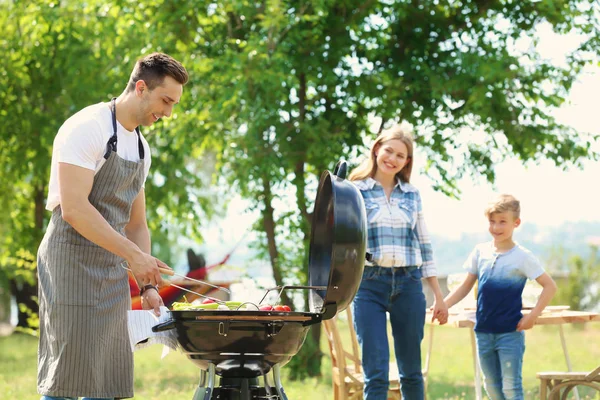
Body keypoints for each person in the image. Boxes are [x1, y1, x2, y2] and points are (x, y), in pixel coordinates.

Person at [37, 52, 188, 400]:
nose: (168, 113)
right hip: (69, 263)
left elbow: (137, 225)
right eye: (166, 100)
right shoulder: (87, 127)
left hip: (111, 269)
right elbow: (74, 209)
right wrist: (133, 256)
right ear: (140, 88)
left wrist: (148, 285)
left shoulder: (141, 148)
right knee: (67, 376)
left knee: (107, 380)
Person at [348, 123, 449, 400]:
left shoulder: (412, 194)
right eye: (388, 151)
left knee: (411, 373)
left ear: (407, 161)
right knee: (376, 374)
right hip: (369, 285)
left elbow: (424, 246)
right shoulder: (355, 191)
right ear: (377, 149)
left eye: (400, 155)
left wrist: (438, 296)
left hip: (408, 284)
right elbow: (343, 241)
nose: (392, 159)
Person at [443, 194, 557, 400]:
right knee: (491, 386)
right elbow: (466, 285)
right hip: (483, 332)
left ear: (516, 223)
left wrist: (532, 317)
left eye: (502, 222)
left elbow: (550, 286)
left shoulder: (522, 256)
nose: (496, 227)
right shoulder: (481, 251)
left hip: (510, 333)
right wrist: (444, 304)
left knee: (511, 388)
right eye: (492, 222)